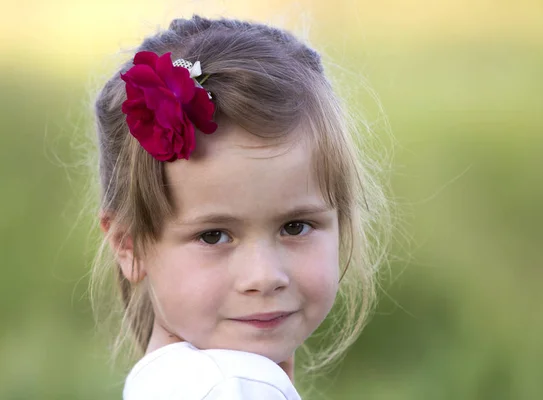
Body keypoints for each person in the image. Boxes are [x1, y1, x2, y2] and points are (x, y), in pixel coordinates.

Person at [91, 14, 390, 400]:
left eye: (296, 226)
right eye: (214, 236)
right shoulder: (233, 387)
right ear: (129, 245)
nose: (264, 276)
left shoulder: (166, 384)